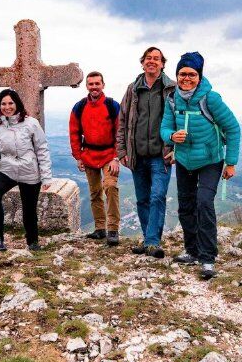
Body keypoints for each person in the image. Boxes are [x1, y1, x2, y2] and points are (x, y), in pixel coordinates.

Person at [161, 52, 241, 280]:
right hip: (185, 160)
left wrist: (231, 163)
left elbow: (233, 128)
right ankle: (192, 251)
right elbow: (164, 128)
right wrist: (171, 136)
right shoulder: (172, 99)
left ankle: (207, 258)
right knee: (186, 206)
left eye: (191, 74)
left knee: (204, 203)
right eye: (182, 74)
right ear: (176, 75)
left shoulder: (211, 99)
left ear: (200, 75)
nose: (186, 78)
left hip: (210, 160)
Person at [0, 88, 52, 253]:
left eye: (10, 103)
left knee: (29, 208)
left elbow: (42, 149)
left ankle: (33, 242)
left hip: (29, 170)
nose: (7, 106)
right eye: (3, 103)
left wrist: (46, 177)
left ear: (17, 104)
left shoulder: (31, 123)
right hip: (7, 168)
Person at [116, 46, 176, 259]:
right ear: (142, 63)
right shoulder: (133, 88)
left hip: (162, 154)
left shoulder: (171, 89)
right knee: (142, 199)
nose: (152, 61)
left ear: (162, 64)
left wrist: (175, 149)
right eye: (148, 58)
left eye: (156, 59)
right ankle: (148, 238)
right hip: (138, 154)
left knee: (157, 196)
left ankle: (152, 241)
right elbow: (122, 120)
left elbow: (179, 119)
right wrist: (122, 150)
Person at [70, 71, 121, 246]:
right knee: (94, 193)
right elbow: (74, 132)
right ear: (87, 86)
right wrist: (78, 156)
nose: (94, 87)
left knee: (111, 186)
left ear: (103, 85)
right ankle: (100, 229)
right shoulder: (79, 107)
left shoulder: (112, 105)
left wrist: (116, 156)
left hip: (109, 155)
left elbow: (120, 132)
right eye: (91, 84)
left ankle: (113, 229)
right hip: (89, 154)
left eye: (97, 84)